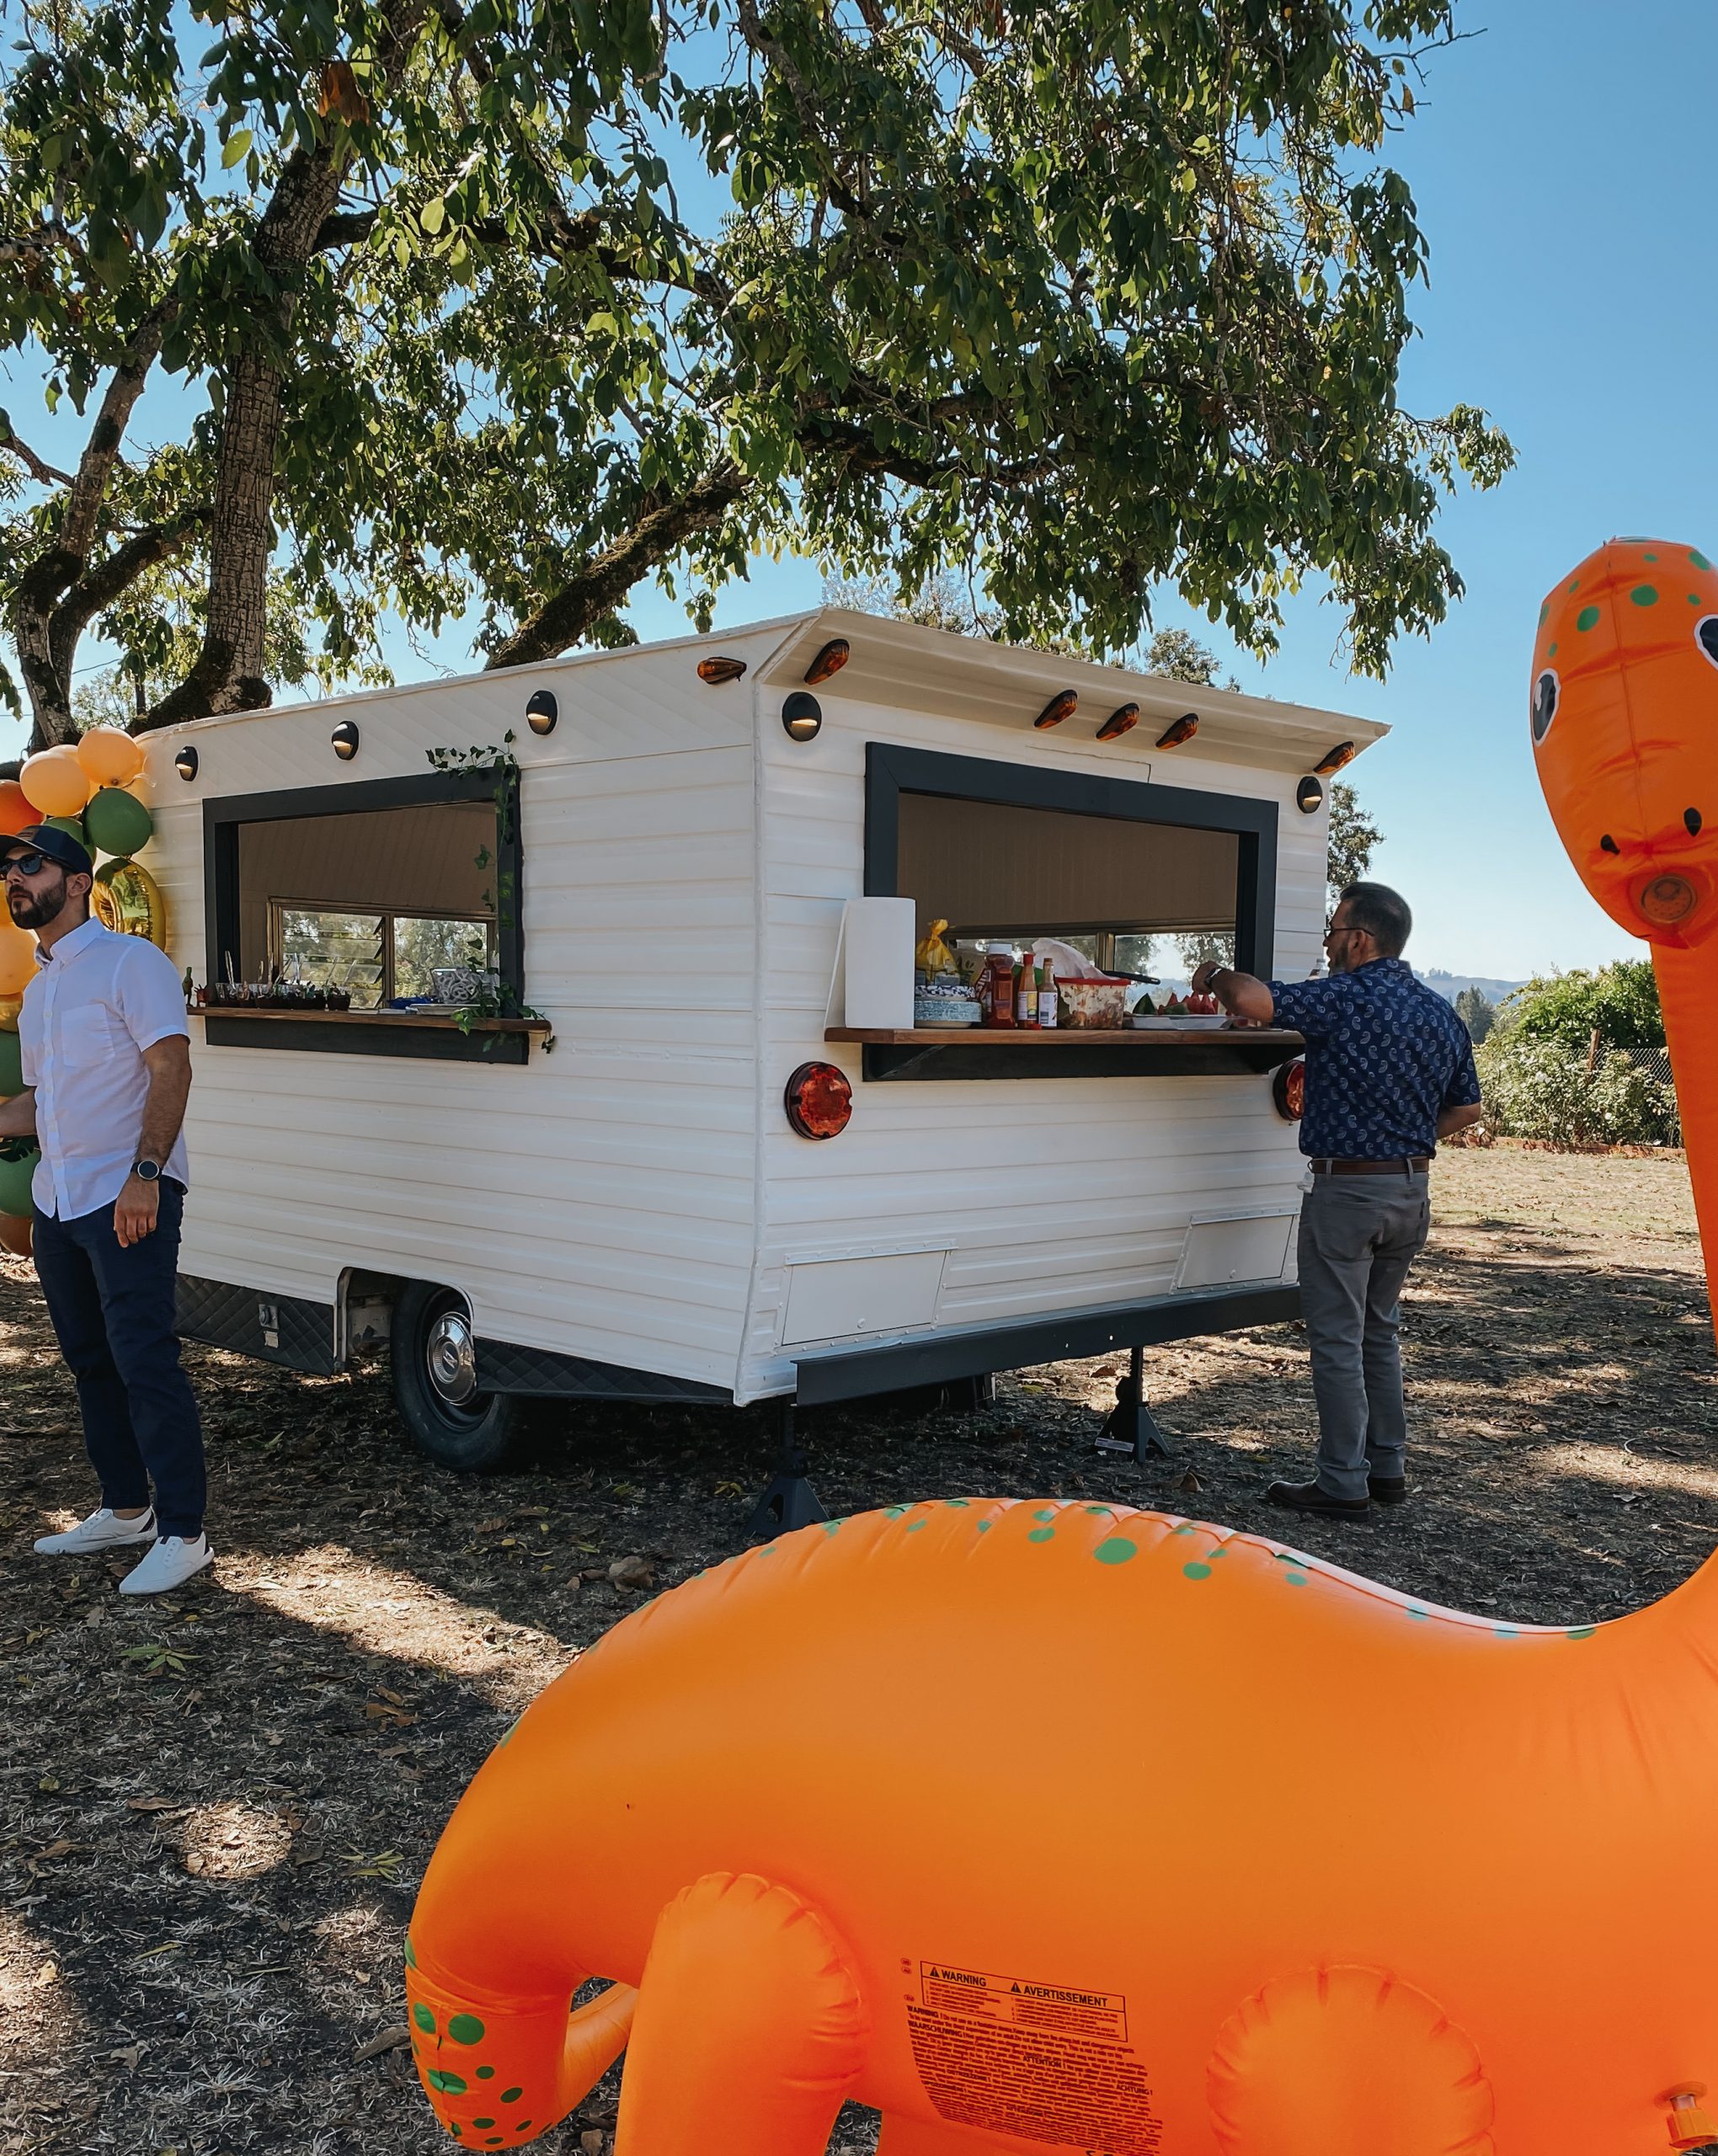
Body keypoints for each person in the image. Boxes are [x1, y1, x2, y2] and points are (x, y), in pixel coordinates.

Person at [1192, 882, 1483, 1521]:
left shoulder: (1343, 998)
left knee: (1336, 1339)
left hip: (1347, 1192)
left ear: (1358, 939)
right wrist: (1401, 1141)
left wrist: (1212, 973)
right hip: (1411, 1189)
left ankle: (1343, 1481)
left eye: (1332, 931)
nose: (1327, 943)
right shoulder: (1440, 1014)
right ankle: (1387, 1468)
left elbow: (1250, 1000)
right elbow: (1467, 1108)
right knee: (1379, 1331)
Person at [0, 822, 211, 1593]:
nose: (15, 879)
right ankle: (127, 1510)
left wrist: (145, 1174)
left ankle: (184, 1532)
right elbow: (40, 1102)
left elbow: (171, 1066)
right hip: (59, 1204)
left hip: (128, 1197)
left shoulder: (131, 962)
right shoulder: (39, 993)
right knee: (91, 1363)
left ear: (79, 881)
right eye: (8, 870)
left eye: (31, 864)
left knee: (144, 1360)